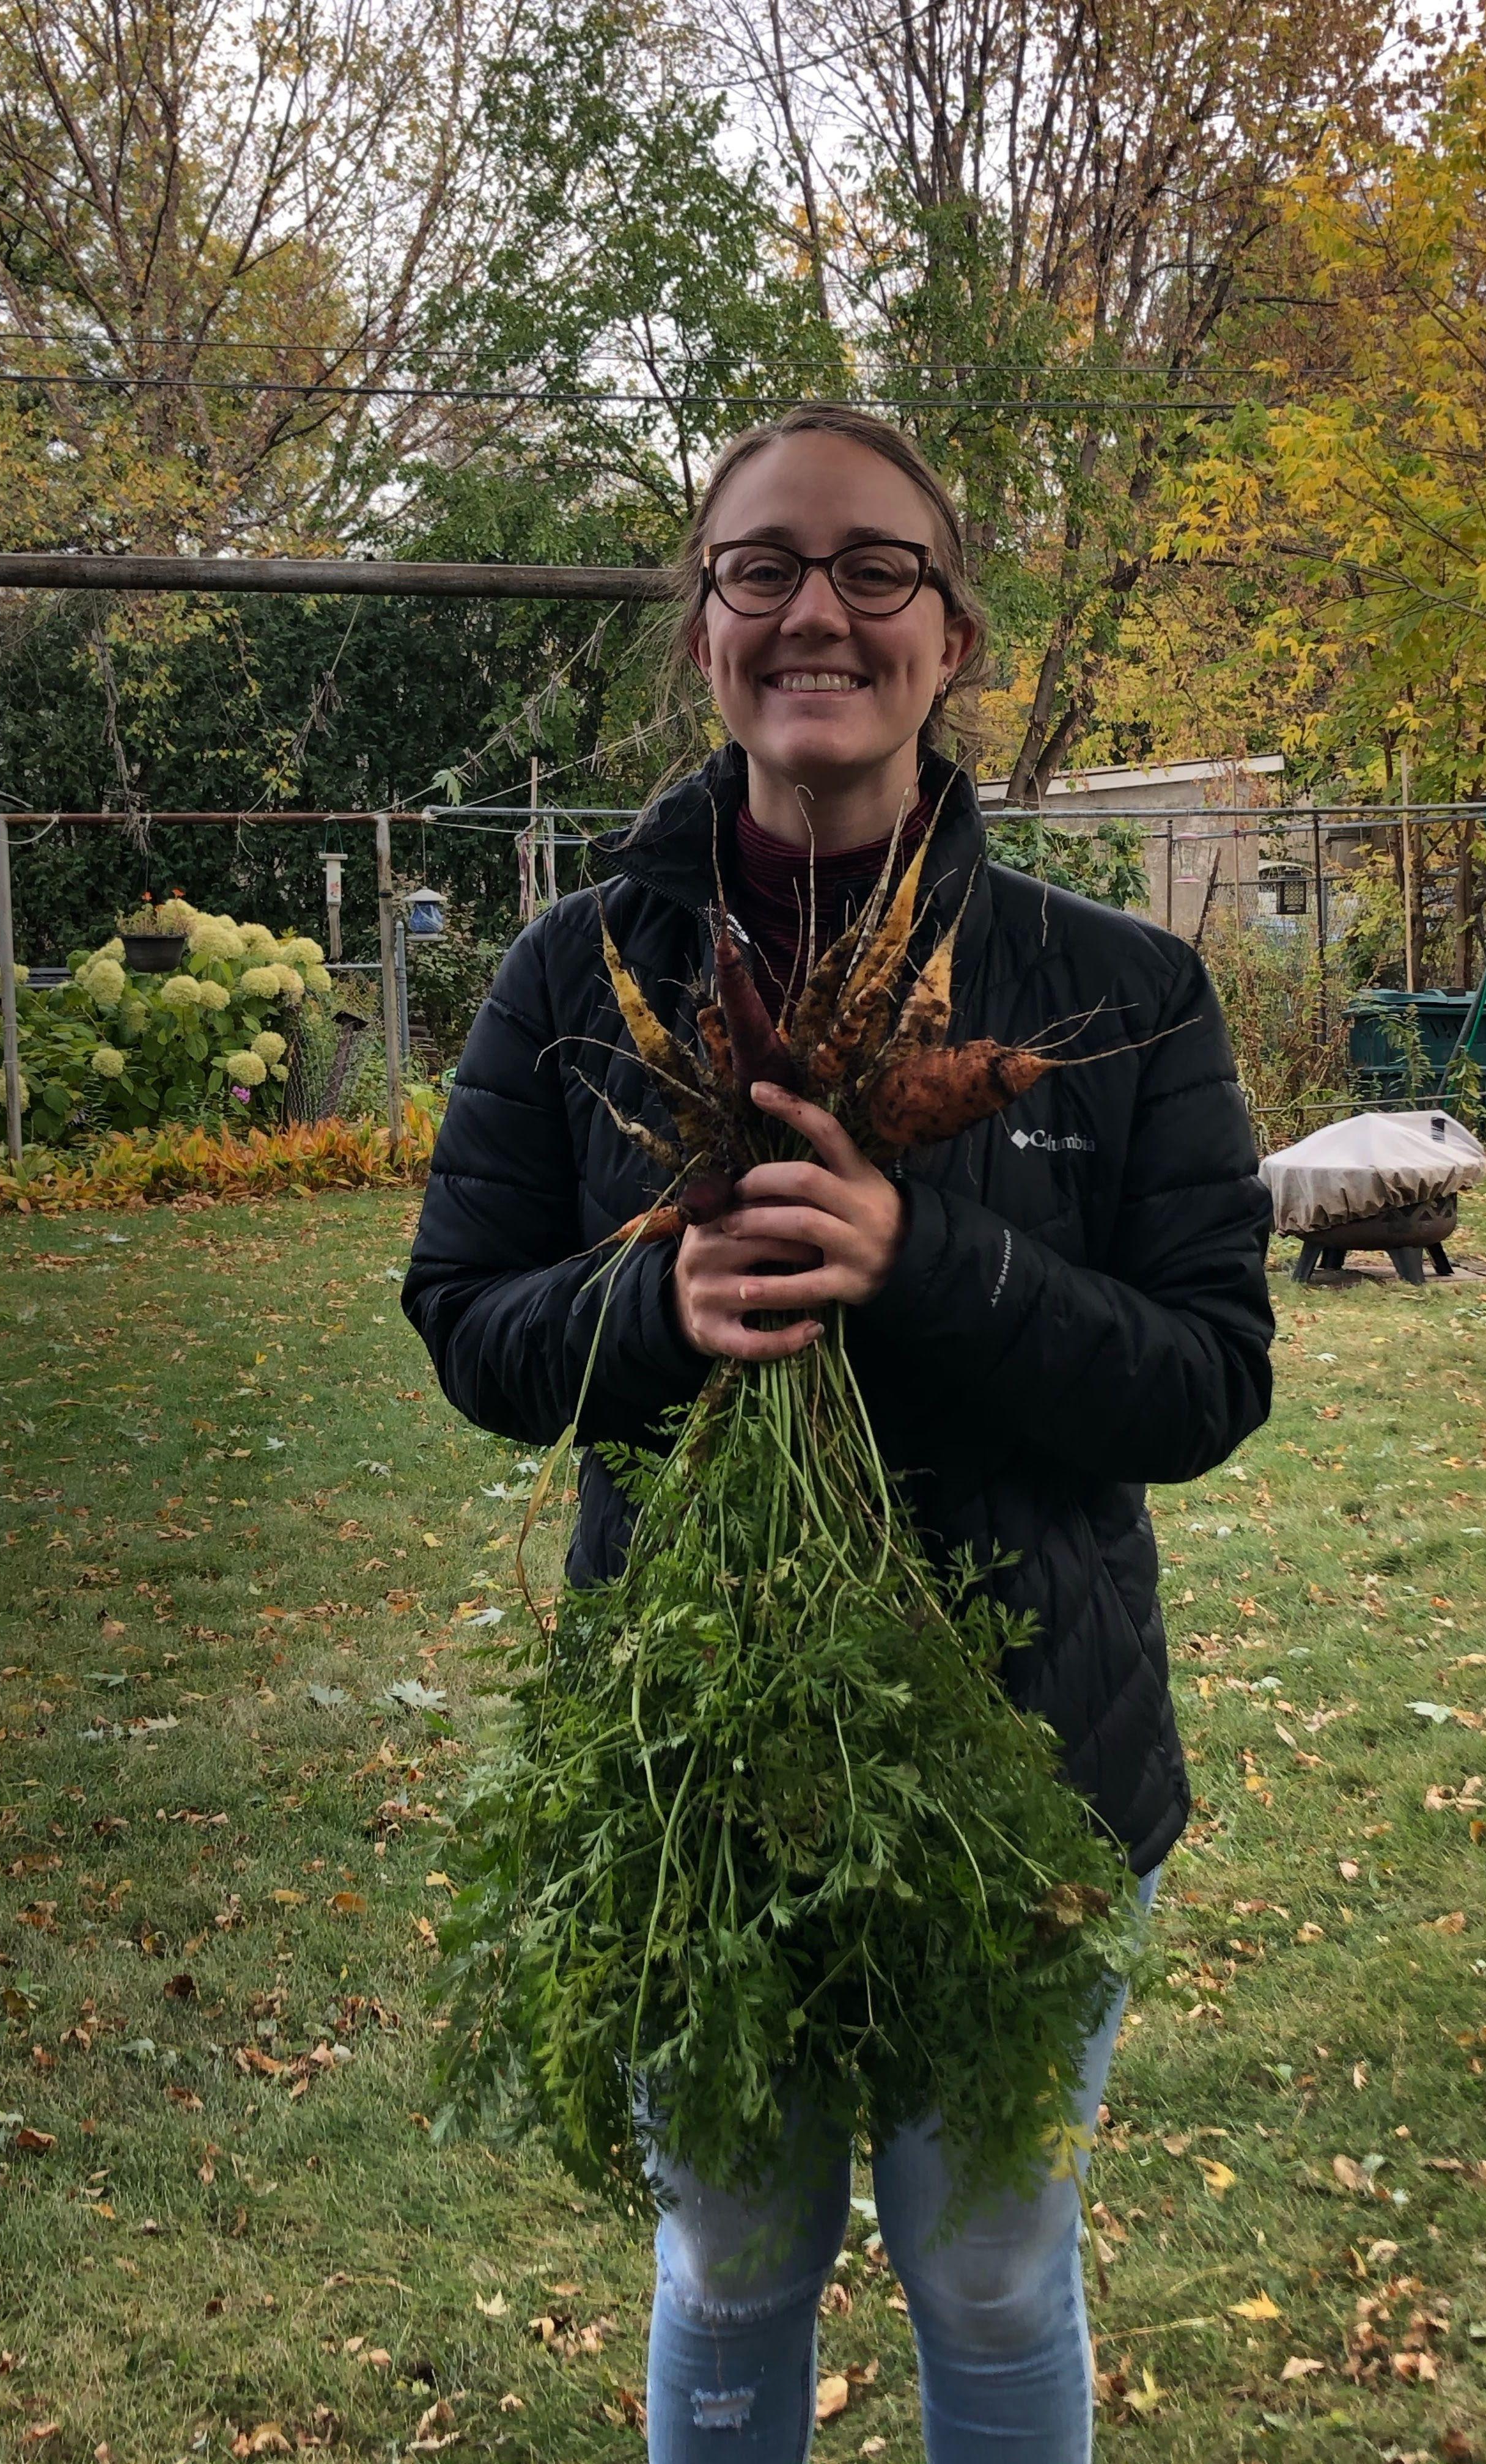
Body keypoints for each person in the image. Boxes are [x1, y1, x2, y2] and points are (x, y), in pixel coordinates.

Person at [403, 404, 1275, 2461]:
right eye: (762, 566)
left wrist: (924, 1260)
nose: (819, 608)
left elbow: (1209, 1377)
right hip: (694, 1772)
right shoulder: (575, 974)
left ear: (950, 635)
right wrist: (656, 1307)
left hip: (1030, 1773)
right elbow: (463, 1317)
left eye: (875, 566)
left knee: (988, 2272)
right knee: (728, 2267)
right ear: (702, 629)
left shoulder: (1119, 993)